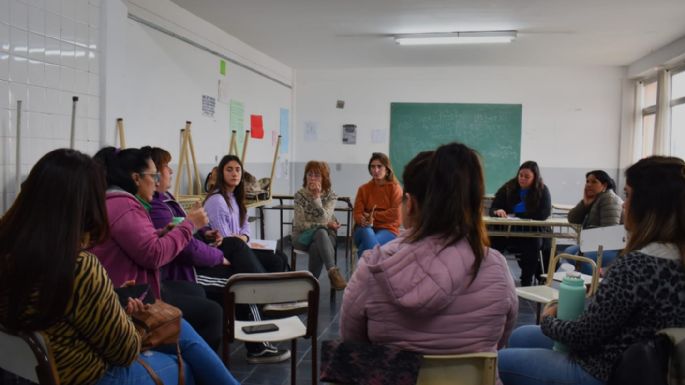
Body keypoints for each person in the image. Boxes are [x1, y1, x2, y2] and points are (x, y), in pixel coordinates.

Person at [0, 148, 239, 385]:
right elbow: (124, 352)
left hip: (38, 374)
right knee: (187, 364)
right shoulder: (78, 265)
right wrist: (132, 320)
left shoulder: (11, 251)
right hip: (93, 376)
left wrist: (109, 304)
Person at [498, 156, 685, 385]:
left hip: (604, 368)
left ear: (648, 205)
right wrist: (585, 203)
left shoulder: (636, 266)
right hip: (635, 359)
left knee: (503, 360)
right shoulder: (672, 256)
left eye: (627, 194)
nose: (624, 204)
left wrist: (548, 319)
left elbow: (583, 335)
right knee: (521, 335)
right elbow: (574, 219)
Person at [341, 144, 518, 383]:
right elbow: (500, 340)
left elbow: (353, 345)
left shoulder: (373, 266)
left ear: (410, 204)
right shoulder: (497, 268)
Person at [91, 147, 223, 351]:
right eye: (154, 175)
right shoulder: (124, 205)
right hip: (131, 298)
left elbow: (138, 243)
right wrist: (191, 225)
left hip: (134, 290)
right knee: (212, 313)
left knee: (197, 291)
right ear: (136, 178)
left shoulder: (123, 202)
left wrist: (164, 233)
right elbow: (154, 254)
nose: (159, 179)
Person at [203, 154, 291, 364]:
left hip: (239, 247)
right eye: (229, 169)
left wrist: (243, 237)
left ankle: (276, 301)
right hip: (225, 252)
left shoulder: (235, 198)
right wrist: (241, 239)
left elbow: (245, 229)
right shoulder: (216, 200)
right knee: (247, 264)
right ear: (220, 173)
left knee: (277, 257)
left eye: (238, 170)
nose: (234, 173)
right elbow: (223, 239)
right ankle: (267, 295)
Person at [489, 161, 552, 286]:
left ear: (535, 178)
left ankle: (526, 281)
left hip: (531, 232)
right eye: (520, 175)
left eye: (527, 177)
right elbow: (493, 208)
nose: (522, 179)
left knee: (532, 244)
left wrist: (517, 215)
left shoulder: (542, 190)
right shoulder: (509, 187)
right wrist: (497, 211)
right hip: (508, 231)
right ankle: (492, 276)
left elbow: (543, 214)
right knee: (491, 240)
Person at [293, 160, 346, 290]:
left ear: (324, 178)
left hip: (326, 237)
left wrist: (317, 199)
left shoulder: (331, 195)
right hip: (302, 236)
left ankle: (311, 287)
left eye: (317, 175)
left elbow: (326, 217)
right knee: (321, 231)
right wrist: (325, 225)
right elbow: (300, 224)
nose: (312, 178)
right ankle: (333, 273)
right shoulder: (300, 195)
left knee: (318, 243)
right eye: (309, 174)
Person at [565, 170, 623, 274]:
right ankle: (587, 280)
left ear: (604, 185)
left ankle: (594, 286)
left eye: (594, 182)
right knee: (568, 252)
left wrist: (588, 244)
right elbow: (572, 219)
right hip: (596, 243)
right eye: (587, 181)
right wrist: (585, 203)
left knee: (583, 258)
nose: (588, 185)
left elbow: (610, 232)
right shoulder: (594, 198)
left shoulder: (609, 199)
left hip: (614, 247)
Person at [353, 152, 402, 257]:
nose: (376, 170)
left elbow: (396, 214)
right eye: (373, 167)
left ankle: (362, 272)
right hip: (363, 229)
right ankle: (378, 269)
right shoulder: (363, 189)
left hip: (389, 230)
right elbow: (357, 213)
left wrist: (372, 216)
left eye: (379, 166)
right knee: (367, 231)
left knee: (364, 248)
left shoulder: (395, 188)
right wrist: (362, 219)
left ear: (387, 169)